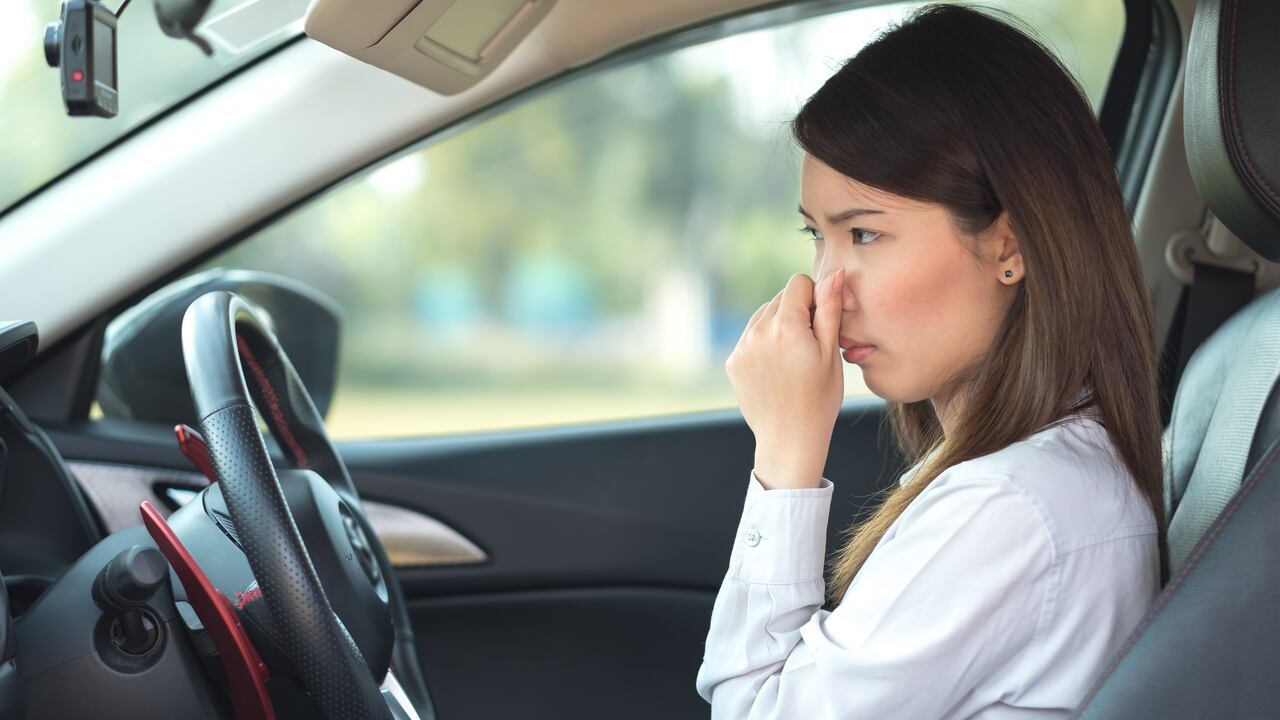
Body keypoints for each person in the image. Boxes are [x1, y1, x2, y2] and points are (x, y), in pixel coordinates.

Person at [694, 3, 1169, 718]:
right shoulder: (1042, 470)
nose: (825, 289)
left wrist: (785, 460)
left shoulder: (1008, 508)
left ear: (1010, 247)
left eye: (864, 235)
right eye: (816, 236)